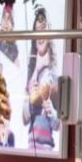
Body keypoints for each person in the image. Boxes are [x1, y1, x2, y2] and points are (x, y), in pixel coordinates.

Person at [27, 8, 59, 151]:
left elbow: (58, 125)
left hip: (47, 149)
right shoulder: (31, 72)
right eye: (37, 30)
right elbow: (24, 118)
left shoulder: (54, 73)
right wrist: (30, 100)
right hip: (29, 146)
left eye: (43, 29)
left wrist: (50, 110)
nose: (40, 35)